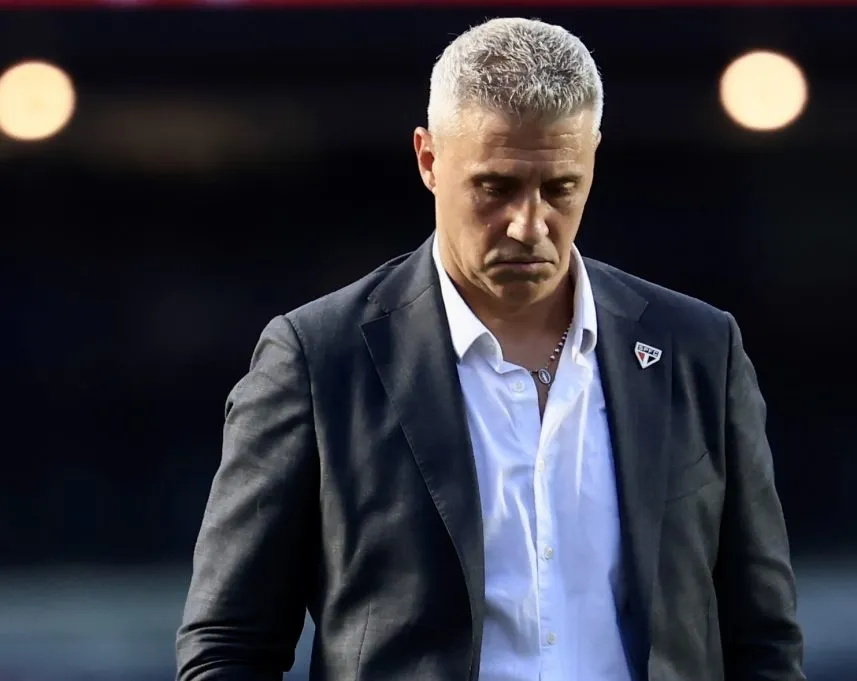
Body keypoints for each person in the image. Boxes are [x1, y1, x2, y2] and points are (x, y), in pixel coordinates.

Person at [176, 17, 805, 681]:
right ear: (428, 160)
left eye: (560, 188)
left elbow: (763, 640)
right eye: (495, 187)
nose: (530, 224)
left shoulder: (699, 349)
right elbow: (227, 646)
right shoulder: (316, 360)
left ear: (593, 158)